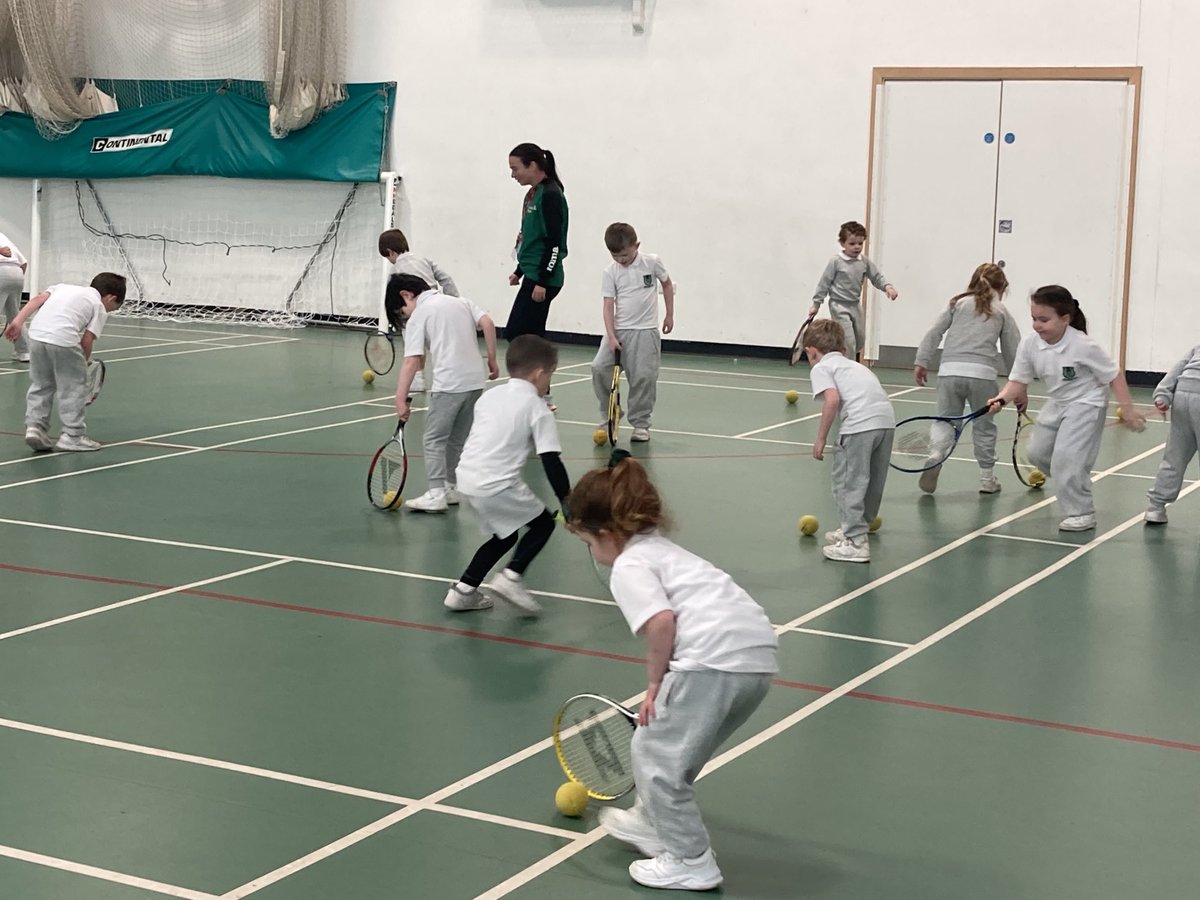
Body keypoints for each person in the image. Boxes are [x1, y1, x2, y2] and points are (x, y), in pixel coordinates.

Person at [567, 452, 777, 892]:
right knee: (670, 752)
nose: (592, 554)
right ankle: (650, 819)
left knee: (657, 760)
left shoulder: (628, 565)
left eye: (588, 543)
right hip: (755, 659)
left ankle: (690, 860)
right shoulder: (662, 549)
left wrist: (654, 683)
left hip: (710, 661)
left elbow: (662, 622)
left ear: (607, 534)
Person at [987, 285, 1147, 531]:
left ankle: (1081, 512)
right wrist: (1000, 400)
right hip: (1058, 401)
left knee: (1067, 460)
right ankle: (1070, 476)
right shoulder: (1030, 344)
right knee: (1037, 453)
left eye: (1044, 320)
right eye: (1034, 319)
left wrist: (1127, 408)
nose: (1037, 325)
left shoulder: (1082, 345)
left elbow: (1114, 374)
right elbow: (1018, 380)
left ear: (1065, 319)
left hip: (1087, 403)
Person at [445, 335, 570, 614]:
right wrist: (567, 502)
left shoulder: (489, 396)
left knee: (505, 536)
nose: (549, 382)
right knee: (543, 526)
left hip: (466, 479)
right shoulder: (538, 409)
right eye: (550, 375)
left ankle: (463, 591)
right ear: (539, 374)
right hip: (497, 484)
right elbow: (551, 461)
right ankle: (511, 577)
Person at [385, 273, 499, 512]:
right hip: (475, 383)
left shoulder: (420, 315)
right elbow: (488, 323)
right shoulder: (460, 302)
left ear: (406, 295)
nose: (406, 317)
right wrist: (492, 359)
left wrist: (400, 398)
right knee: (455, 440)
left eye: (402, 312)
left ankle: (436, 493)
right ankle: (450, 488)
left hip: (449, 384)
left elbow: (412, 361)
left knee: (434, 439)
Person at [913, 262, 1021, 494]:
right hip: (982, 375)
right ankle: (987, 479)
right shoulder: (1001, 311)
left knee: (945, 420)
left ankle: (936, 454)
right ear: (1002, 288)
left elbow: (934, 331)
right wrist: (1018, 384)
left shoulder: (957, 303)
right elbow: (1013, 349)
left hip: (949, 371)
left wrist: (922, 360)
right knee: (984, 426)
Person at [804, 318, 895, 562]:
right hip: (886, 422)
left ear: (811, 351)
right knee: (872, 481)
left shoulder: (821, 368)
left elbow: (832, 401)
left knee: (848, 483)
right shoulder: (857, 366)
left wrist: (821, 439)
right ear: (843, 349)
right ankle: (856, 528)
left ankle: (855, 542)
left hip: (858, 426)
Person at [3, 273, 126, 452]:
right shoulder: (98, 306)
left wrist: (17, 322)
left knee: (41, 384)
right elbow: (87, 341)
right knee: (74, 387)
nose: (109, 311)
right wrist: (83, 362)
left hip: (36, 336)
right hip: (63, 339)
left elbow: (36, 300)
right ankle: (72, 436)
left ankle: (35, 427)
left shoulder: (61, 287)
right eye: (113, 308)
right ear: (111, 298)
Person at [590, 223, 675, 442]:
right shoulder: (610, 272)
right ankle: (611, 412)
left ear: (636, 246)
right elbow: (608, 305)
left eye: (625, 255)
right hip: (619, 331)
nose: (621, 260)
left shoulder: (652, 262)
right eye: (615, 256)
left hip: (645, 332)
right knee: (599, 368)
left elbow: (666, 284)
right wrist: (611, 336)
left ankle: (641, 424)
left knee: (643, 377)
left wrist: (669, 315)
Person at [378, 228, 460, 393]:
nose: (389, 261)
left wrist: (395, 321)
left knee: (413, 348)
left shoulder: (395, 271)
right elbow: (446, 279)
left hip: (412, 315)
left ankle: (418, 380)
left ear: (390, 252)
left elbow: (391, 300)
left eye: (387, 257)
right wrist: (453, 301)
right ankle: (450, 378)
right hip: (435, 309)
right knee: (439, 346)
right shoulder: (424, 260)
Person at [808, 220, 898, 361]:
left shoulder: (864, 262)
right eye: (852, 243)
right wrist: (816, 304)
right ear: (842, 243)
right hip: (838, 305)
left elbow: (876, 277)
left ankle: (842, 358)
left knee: (859, 340)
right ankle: (848, 365)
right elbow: (824, 283)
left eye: (860, 243)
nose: (857, 247)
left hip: (855, 305)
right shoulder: (836, 261)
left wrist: (887, 287)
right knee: (848, 340)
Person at [506, 142, 568, 341]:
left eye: (515, 168)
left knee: (521, 335)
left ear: (532, 165)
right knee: (525, 334)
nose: (513, 175)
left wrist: (542, 281)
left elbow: (554, 242)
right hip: (532, 273)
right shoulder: (534, 193)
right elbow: (532, 238)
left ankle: (539, 362)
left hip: (543, 278)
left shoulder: (550, 194)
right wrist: (519, 271)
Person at [1143, 345, 1200, 524]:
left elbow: (1177, 369)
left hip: (1183, 397)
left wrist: (1162, 395)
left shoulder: (1197, 348)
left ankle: (1155, 507)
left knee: (1174, 456)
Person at [0, 230, 29, 362]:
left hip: (1, 270)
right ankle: (24, 352)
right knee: (15, 315)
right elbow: (24, 263)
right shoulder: (3, 237)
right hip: (17, 273)